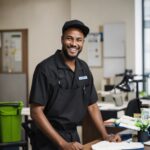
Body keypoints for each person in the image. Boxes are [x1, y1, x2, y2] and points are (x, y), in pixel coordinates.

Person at [29, 19, 121, 150]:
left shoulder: (83, 68)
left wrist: (105, 135)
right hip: (48, 139)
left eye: (79, 40)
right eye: (69, 39)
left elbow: (92, 106)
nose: (74, 44)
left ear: (83, 42)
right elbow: (36, 112)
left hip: (73, 136)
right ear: (62, 39)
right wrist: (63, 144)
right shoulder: (45, 69)